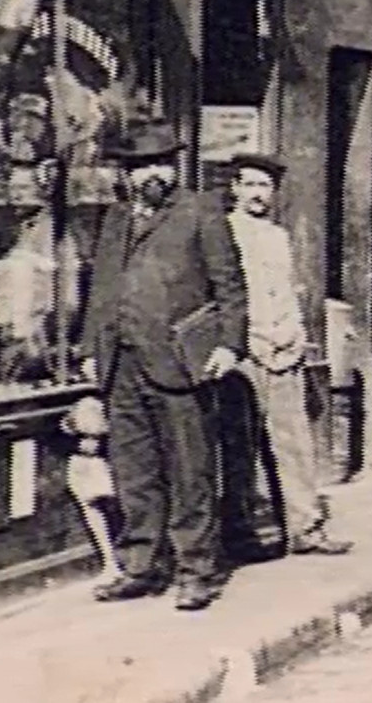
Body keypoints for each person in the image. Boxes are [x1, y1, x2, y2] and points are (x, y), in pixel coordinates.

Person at [80, 120, 246, 610]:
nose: (151, 174)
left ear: (174, 166)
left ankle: (197, 570)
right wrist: (90, 349)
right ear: (126, 173)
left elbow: (231, 287)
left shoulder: (201, 212)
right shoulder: (115, 219)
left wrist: (229, 346)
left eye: (160, 164)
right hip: (121, 363)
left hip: (180, 363)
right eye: (140, 166)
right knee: (134, 470)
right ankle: (141, 567)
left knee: (190, 471)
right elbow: (102, 289)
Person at [224, 152, 353, 557]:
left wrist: (295, 334)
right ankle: (240, 534)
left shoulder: (279, 237)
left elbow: (286, 291)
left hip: (284, 350)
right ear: (235, 188)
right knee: (239, 447)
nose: (257, 193)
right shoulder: (223, 233)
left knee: (293, 444)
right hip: (244, 353)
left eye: (265, 186)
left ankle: (305, 528)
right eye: (249, 184)